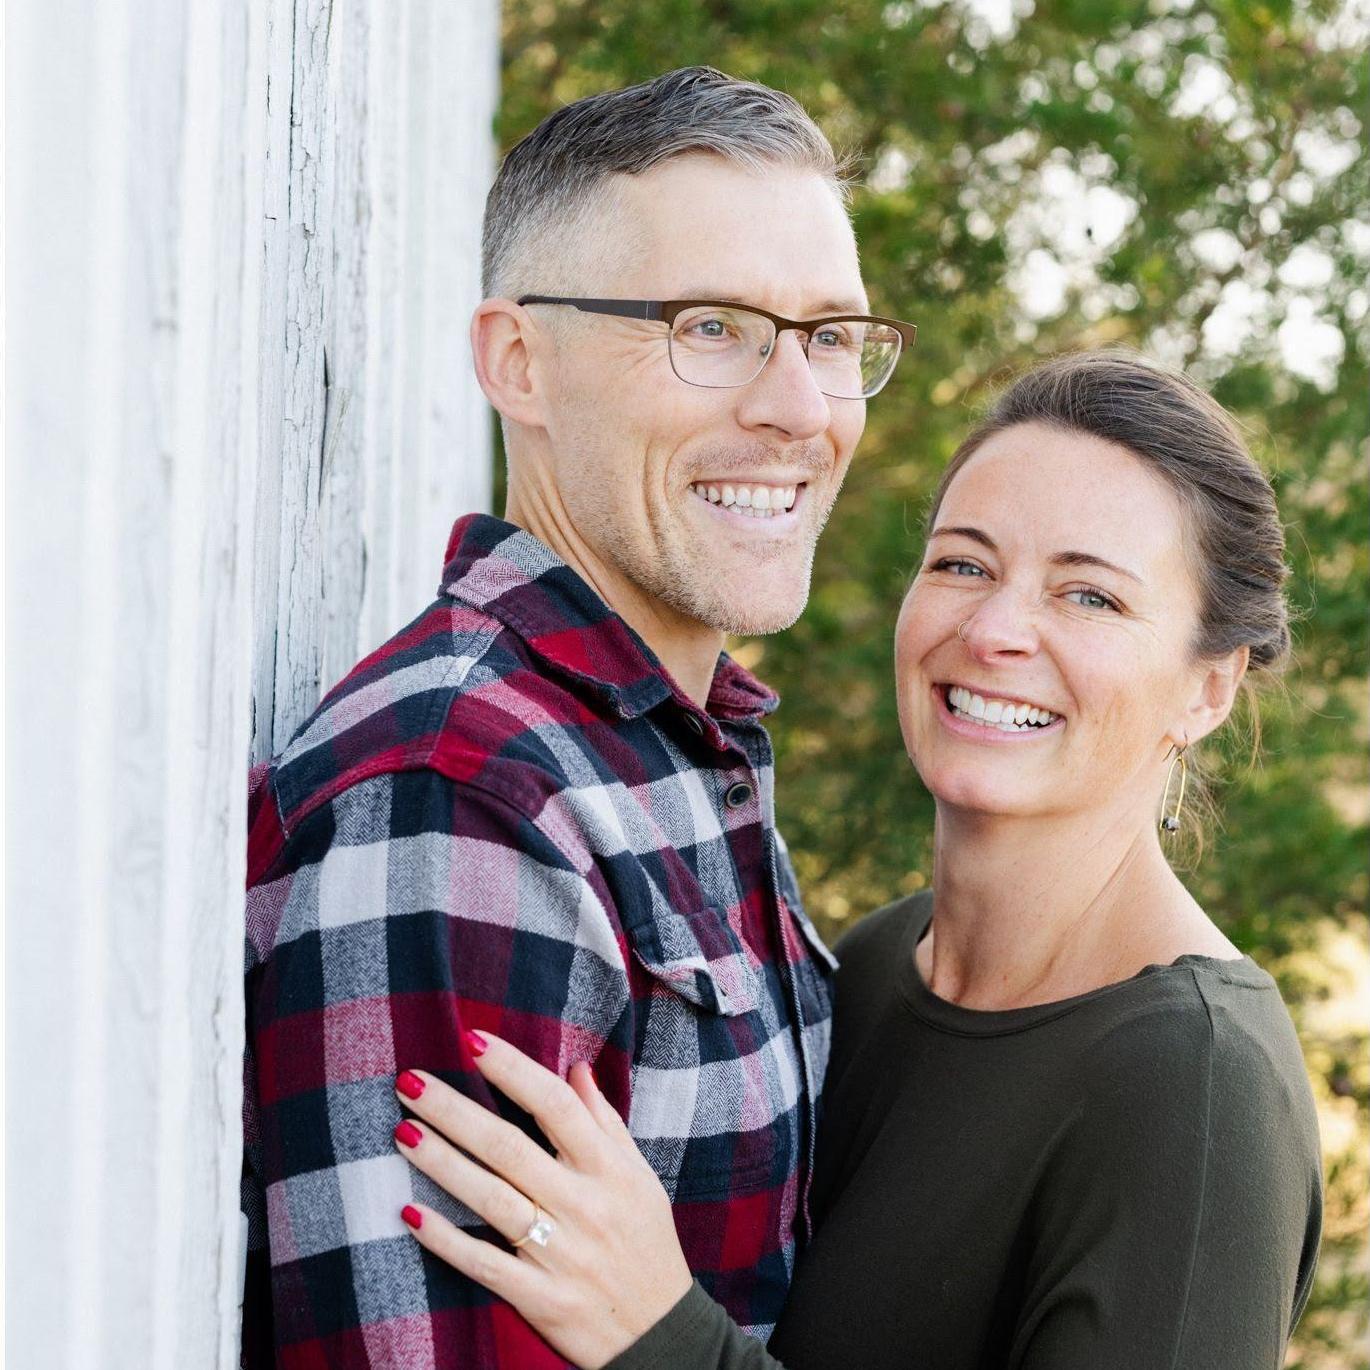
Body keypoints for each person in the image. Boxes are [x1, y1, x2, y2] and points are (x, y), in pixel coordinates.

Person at [387, 351, 1325, 1370]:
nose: (994, 628)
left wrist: (663, 1335)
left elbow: (678, 1329)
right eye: (962, 564)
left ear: (1207, 687)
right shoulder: (873, 969)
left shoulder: (1195, 1083)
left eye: (1088, 596)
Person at [240, 66, 917, 1367]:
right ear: (520, 362)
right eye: (711, 327)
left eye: (828, 336)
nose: (796, 409)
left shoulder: (667, 745)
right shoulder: (465, 800)